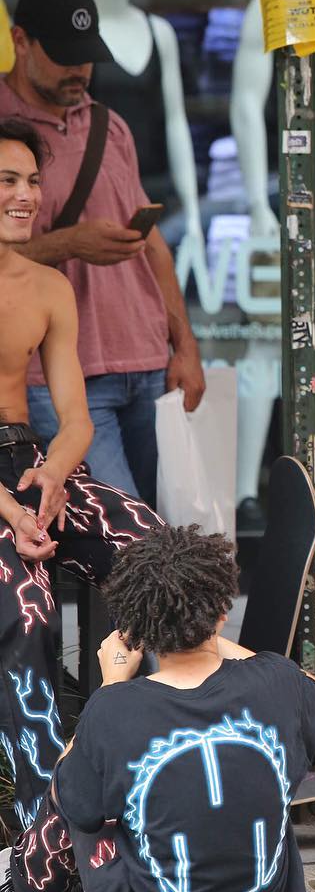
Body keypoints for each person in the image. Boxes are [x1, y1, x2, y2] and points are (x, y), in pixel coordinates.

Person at [0, 524, 315, 892]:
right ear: (221, 610)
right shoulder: (277, 683)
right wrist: (209, 632)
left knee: (77, 780)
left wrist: (111, 685)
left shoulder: (115, 709)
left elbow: (71, 801)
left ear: (135, 621)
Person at [0, 116, 165, 836]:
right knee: (29, 616)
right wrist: (10, 513)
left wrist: (56, 476)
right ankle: (43, 842)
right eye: (7, 181)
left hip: (30, 462)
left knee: (158, 554)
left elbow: (75, 419)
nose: (26, 195)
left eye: (32, 181)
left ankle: (144, 757)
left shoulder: (46, 286)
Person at [0, 0, 204, 507]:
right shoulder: (4, 129)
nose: (80, 71)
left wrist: (184, 345)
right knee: (128, 545)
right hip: (59, 375)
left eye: (87, 57)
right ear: (20, 41)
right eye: (64, 56)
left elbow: (152, 243)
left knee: (167, 532)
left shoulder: (108, 126)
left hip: (145, 362)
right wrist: (69, 243)